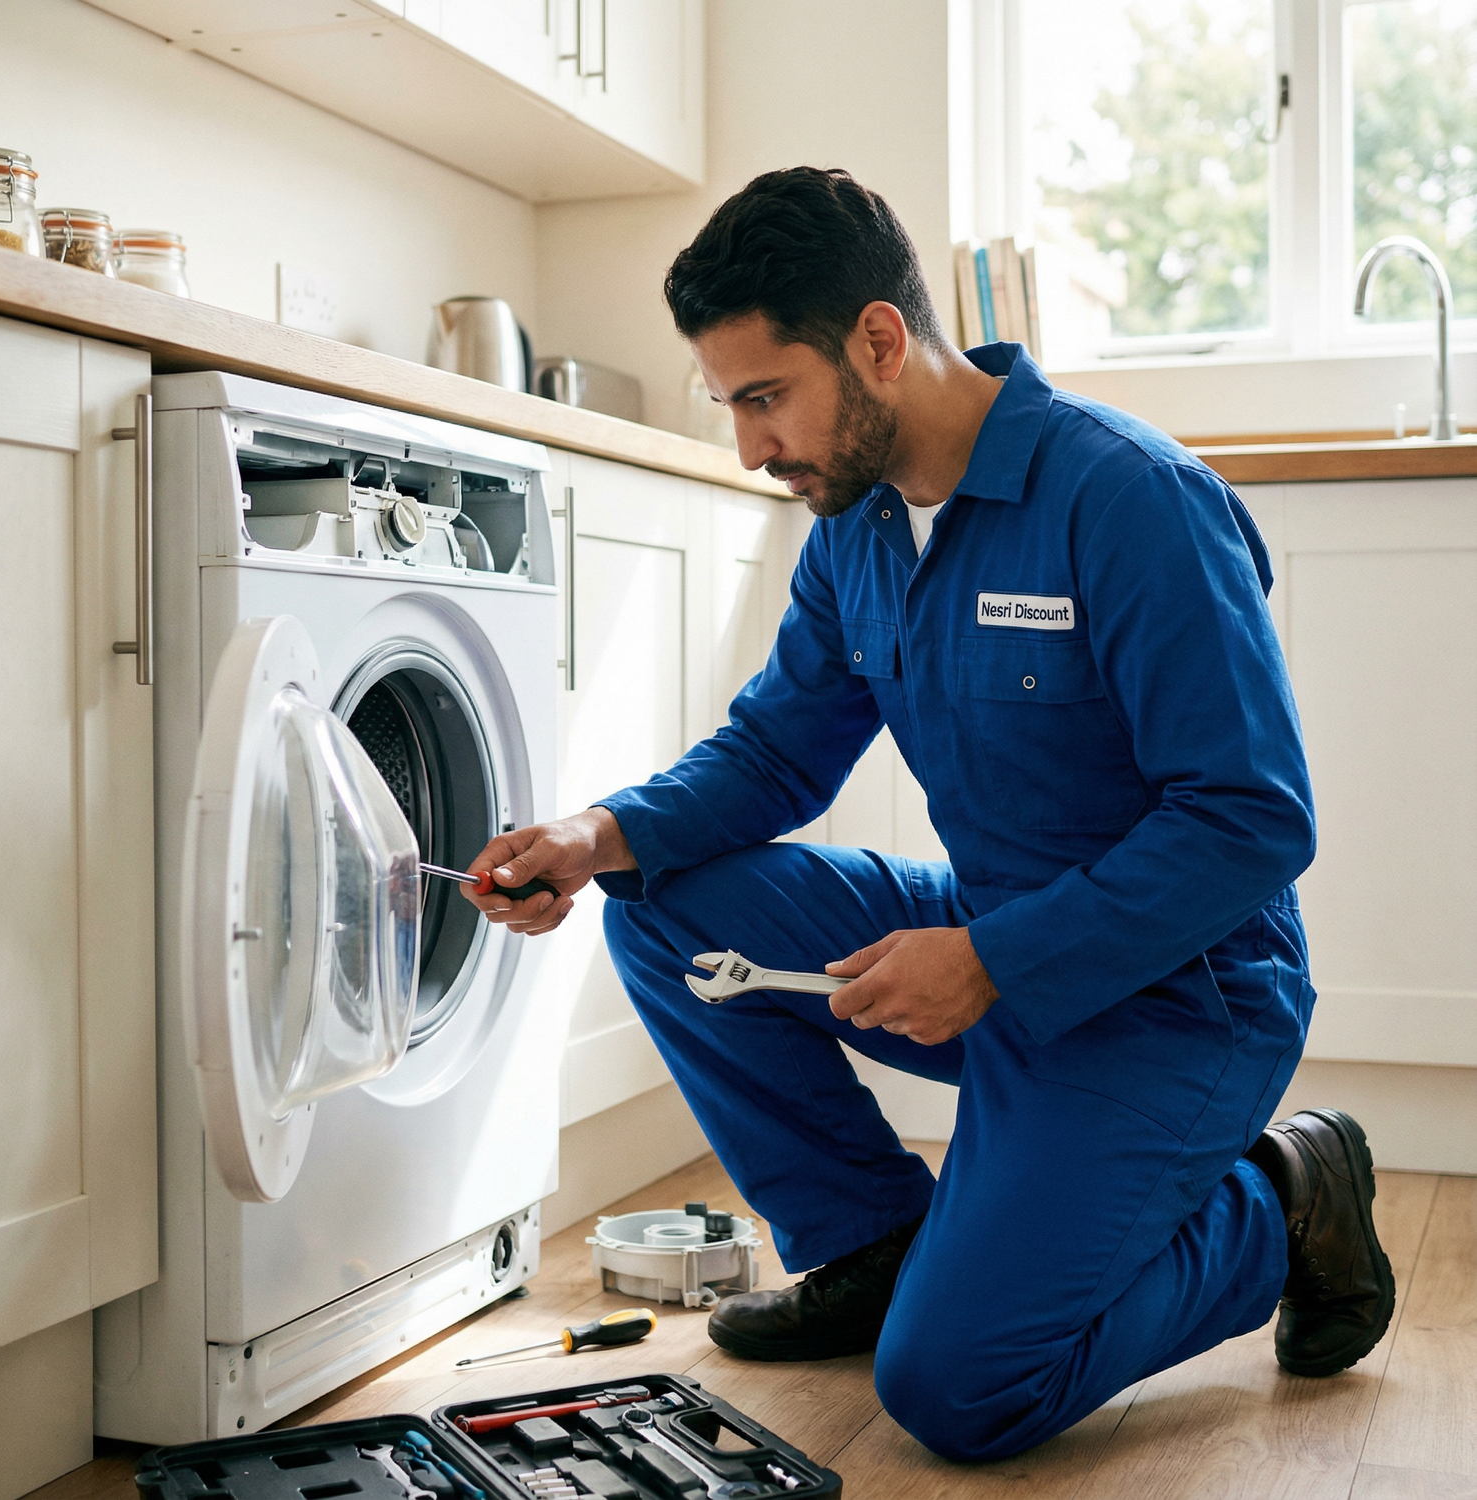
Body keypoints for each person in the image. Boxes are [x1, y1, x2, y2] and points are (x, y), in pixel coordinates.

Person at [462, 167, 1395, 1462]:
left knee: (962, 1392)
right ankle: (876, 1247)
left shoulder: (1127, 500)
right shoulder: (854, 530)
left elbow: (1252, 820)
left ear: (879, 343)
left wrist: (994, 963)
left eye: (763, 397)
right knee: (669, 906)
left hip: (1182, 999)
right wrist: (590, 837)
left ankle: (1283, 1199)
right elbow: (772, 756)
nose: (749, 447)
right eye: (728, 404)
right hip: (990, 943)